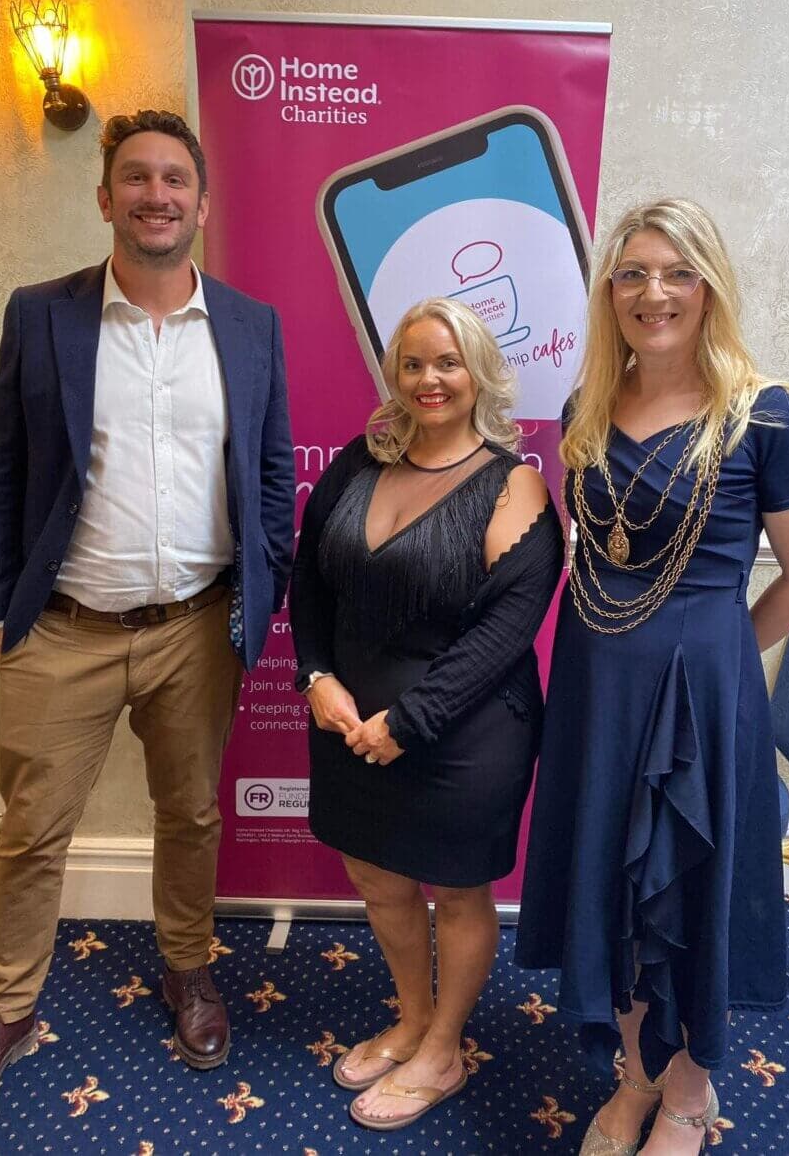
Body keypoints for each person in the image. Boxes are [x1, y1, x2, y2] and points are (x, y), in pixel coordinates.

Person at [0, 110, 295, 1136]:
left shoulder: (251, 325)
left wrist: (267, 592)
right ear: (105, 199)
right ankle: (3, 1011)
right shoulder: (43, 314)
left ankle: (189, 970)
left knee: (192, 815)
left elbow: (271, 471)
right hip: (65, 628)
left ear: (203, 204)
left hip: (197, 626)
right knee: (32, 829)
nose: (157, 194)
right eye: (136, 177)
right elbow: (3, 466)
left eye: (176, 178)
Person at [515, 198, 789, 1155]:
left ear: (710, 286)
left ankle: (688, 1094)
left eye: (676, 272)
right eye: (632, 274)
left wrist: (722, 648)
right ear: (609, 291)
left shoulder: (766, 416)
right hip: (596, 691)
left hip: (701, 700)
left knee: (688, 890)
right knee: (613, 884)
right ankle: (632, 1077)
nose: (653, 292)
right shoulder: (584, 408)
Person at [290, 297, 563, 1132]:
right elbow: (309, 582)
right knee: (376, 876)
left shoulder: (513, 482)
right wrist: (315, 675)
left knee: (456, 888)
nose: (429, 379)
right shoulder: (358, 461)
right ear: (394, 375)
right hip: (348, 725)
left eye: (447, 362)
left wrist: (406, 721)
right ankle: (411, 1016)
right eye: (413, 364)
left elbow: (505, 631)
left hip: (465, 736)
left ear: (478, 371)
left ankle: (443, 1046)